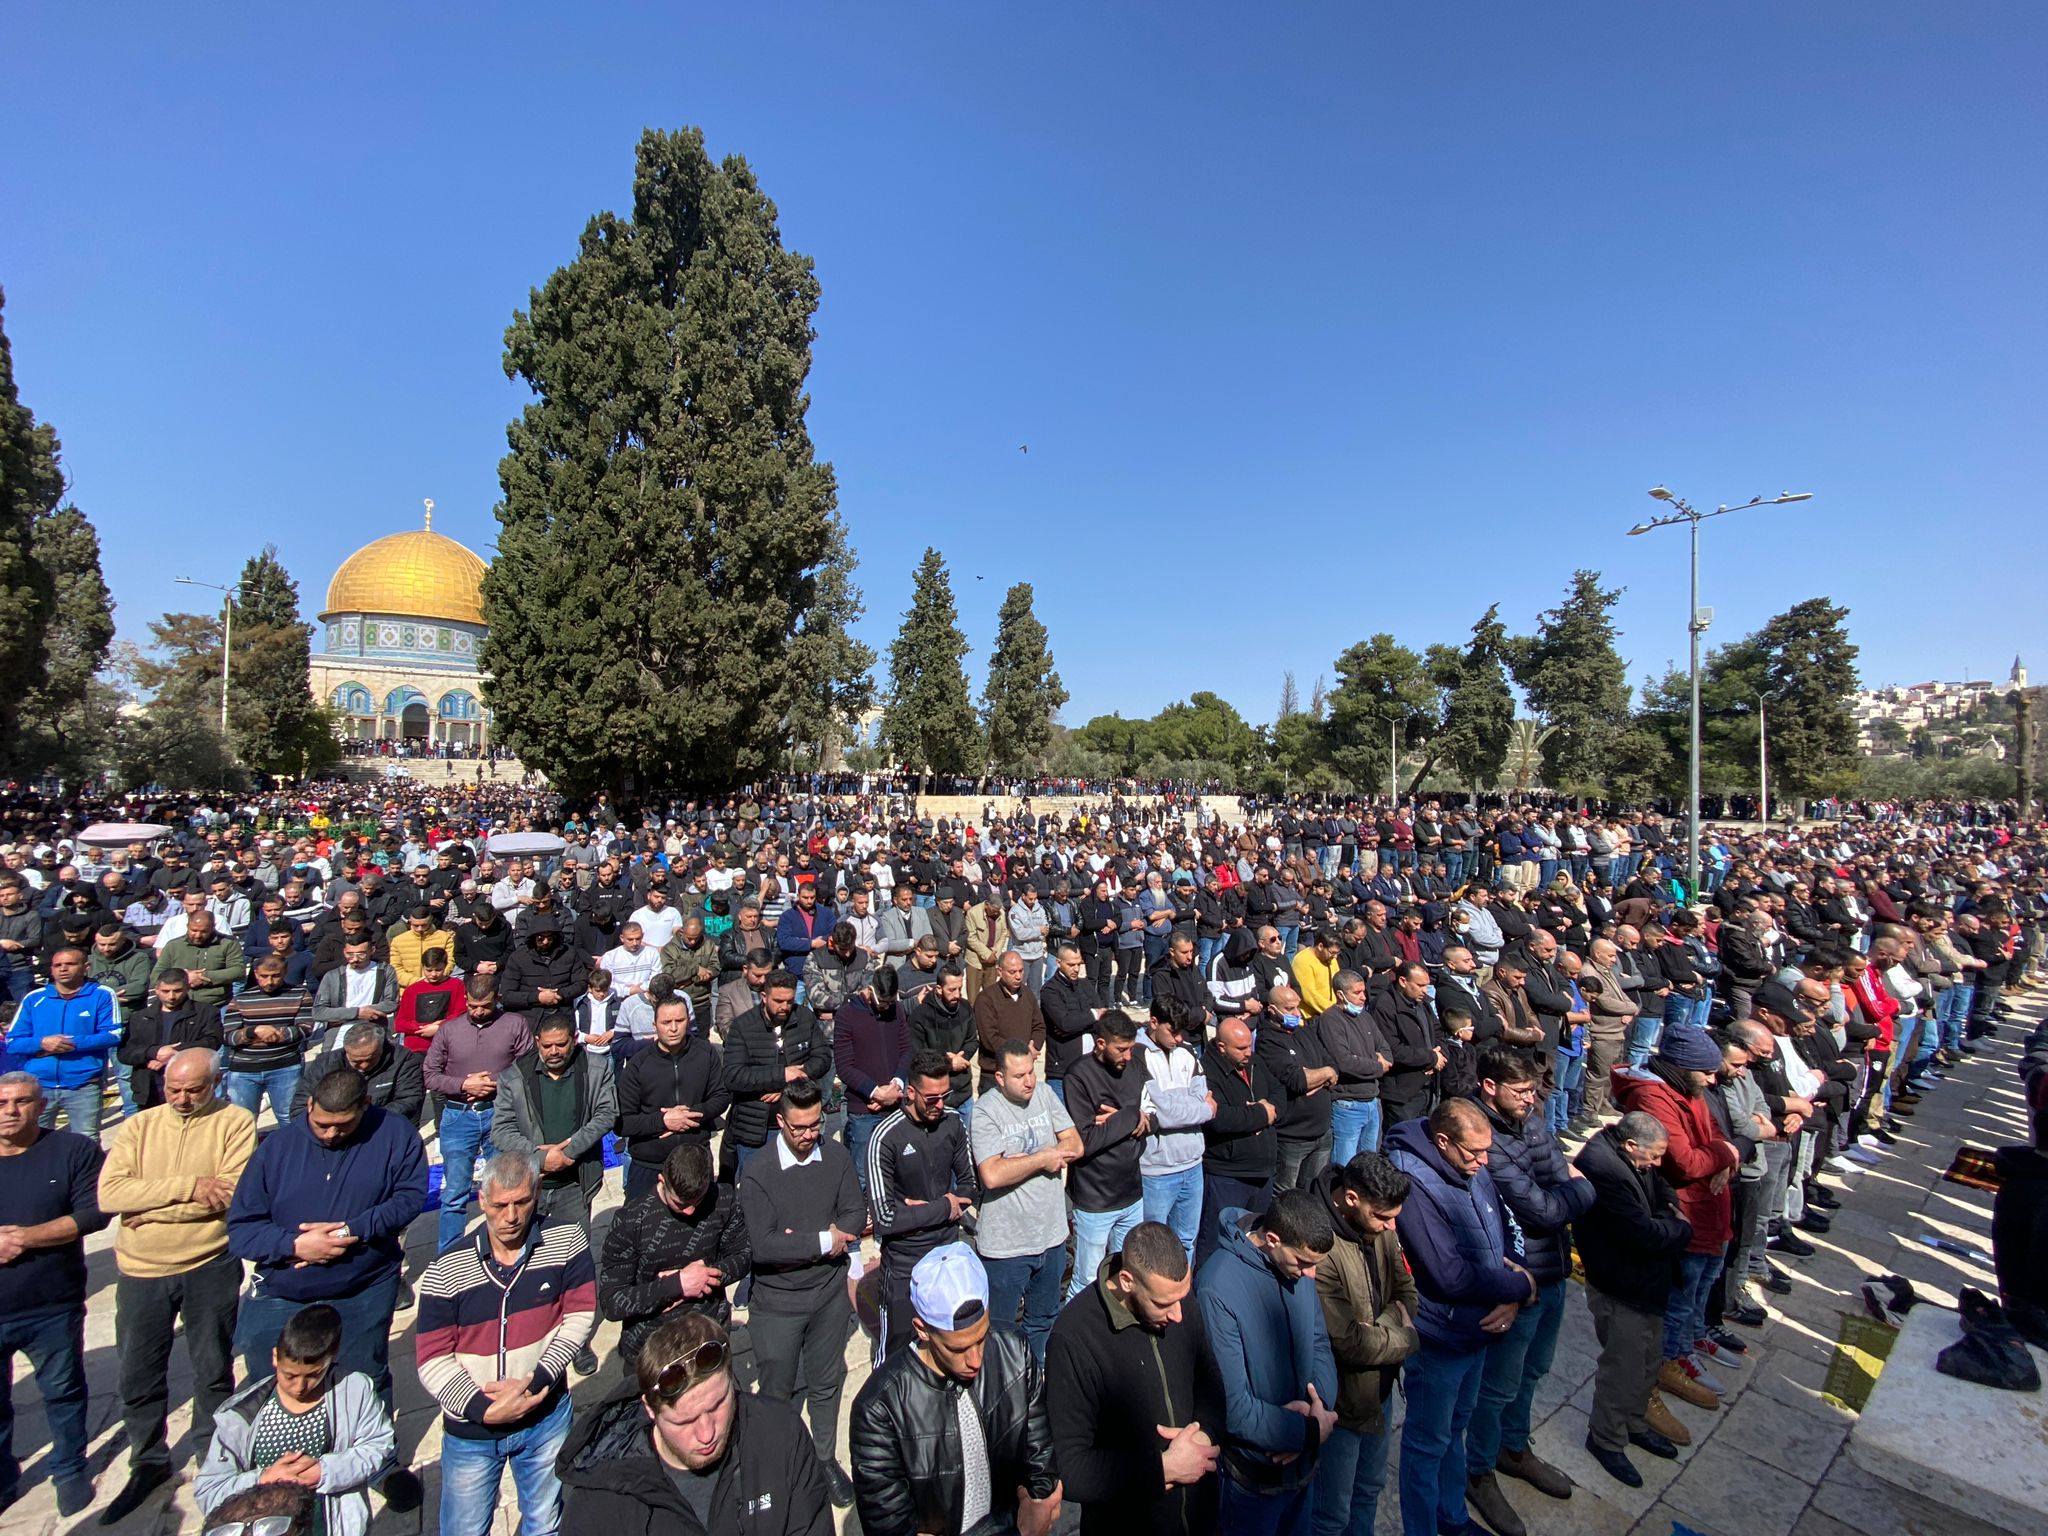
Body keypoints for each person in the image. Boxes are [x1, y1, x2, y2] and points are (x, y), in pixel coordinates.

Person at [227, 1063, 427, 1470]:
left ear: (365, 1106)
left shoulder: (395, 1135)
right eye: (321, 1124)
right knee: (275, 1386)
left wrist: (352, 1231)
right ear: (309, 1106)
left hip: (364, 1288)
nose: (331, 1133)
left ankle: (379, 1463)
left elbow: (409, 1198)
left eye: (342, 1125)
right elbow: (242, 1230)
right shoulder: (276, 1149)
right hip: (283, 1294)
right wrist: (295, 1245)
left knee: (366, 1377)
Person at [95, 1049, 257, 1522]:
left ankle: (214, 1455)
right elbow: (111, 1195)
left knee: (211, 1368)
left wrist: (147, 1206)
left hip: (207, 1260)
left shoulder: (236, 1122)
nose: (183, 1099)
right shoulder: (139, 1127)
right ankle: (147, 1459)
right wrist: (188, 1187)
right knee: (138, 1374)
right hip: (142, 1269)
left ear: (216, 1083)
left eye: (194, 1090)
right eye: (174, 1089)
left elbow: (229, 1193)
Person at [416, 1149, 597, 1536]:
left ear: (537, 1193)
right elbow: (433, 1358)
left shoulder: (566, 1240)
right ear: (482, 1201)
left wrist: (535, 1381)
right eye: (500, 1205)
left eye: (522, 1203)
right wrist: (483, 1407)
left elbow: (579, 1315)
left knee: (546, 1522)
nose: (511, 1216)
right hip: (472, 1432)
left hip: (545, 1414)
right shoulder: (446, 1269)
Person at [1386, 1097, 1536, 1536]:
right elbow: (1447, 1275)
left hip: (1480, 1327)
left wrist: (1512, 1293)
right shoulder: (1412, 1180)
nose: (1483, 1162)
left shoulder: (1472, 1162)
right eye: (1474, 1153)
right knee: (1427, 1442)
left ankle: (1452, 1517)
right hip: (1441, 1336)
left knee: (1457, 1427)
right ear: (1443, 1141)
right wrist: (1519, 1287)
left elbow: (1505, 1221)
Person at [1462, 1048, 1593, 1534]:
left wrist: (1570, 1193)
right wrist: (1573, 1194)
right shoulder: (1479, 1134)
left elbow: (1560, 1177)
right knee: (1497, 1384)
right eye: (1520, 1091)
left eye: (1533, 1089)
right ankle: (1477, 1472)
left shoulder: (1533, 1119)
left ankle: (1513, 1447)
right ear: (1490, 1087)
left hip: (1553, 1265)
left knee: (1534, 1370)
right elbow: (1542, 1208)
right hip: (1518, 1277)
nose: (1531, 1098)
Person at [849, 1242, 1063, 1536]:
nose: (975, 1360)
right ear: (922, 1329)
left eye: (982, 1338)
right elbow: (890, 1526)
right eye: (958, 1348)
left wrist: (1040, 1502)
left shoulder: (1014, 1349)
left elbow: (1040, 1456)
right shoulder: (880, 1408)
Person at [556, 1312, 834, 1536]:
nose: (706, 1433)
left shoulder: (780, 1433)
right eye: (684, 1421)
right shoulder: (600, 1501)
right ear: (649, 1410)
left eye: (717, 1406)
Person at [1045, 1220, 1222, 1536]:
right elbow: (1069, 1468)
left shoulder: (1177, 1299)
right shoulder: (1075, 1337)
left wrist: (1202, 1439)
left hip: (1199, 1518)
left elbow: (1211, 1386)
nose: (1178, 1315)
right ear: (1127, 1281)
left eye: (1183, 1297)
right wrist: (1163, 1468)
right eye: (1163, 1304)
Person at [735, 1079, 864, 1507]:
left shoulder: (837, 1156)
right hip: (778, 1305)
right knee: (778, 1392)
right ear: (780, 1123)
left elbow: (855, 1214)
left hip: (828, 1296)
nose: (809, 1135)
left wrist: (800, 1241)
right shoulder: (757, 1171)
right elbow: (765, 1246)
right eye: (799, 1128)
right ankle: (780, 1467)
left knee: (826, 1383)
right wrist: (823, 1241)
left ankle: (824, 1459)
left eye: (815, 1125)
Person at [1610, 1022, 1740, 1414]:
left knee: (1705, 1282)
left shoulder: (1690, 1089)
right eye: (1706, 1072)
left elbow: (1717, 1132)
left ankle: (1694, 1338)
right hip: (1683, 1210)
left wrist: (1723, 1153)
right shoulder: (1655, 1098)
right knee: (1682, 1293)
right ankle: (1673, 1358)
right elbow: (1683, 1162)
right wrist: (1727, 1155)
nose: (1712, 1079)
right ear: (1682, 1067)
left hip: (1710, 1204)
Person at [1194, 1189, 1338, 1536]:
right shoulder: (1217, 1288)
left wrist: (1319, 1412)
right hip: (1252, 1480)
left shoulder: (1297, 1269)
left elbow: (1319, 1341)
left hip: (1302, 1467)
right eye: (1304, 1263)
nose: (1311, 1275)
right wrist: (1307, 1432)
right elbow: (1234, 1405)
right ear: (1272, 1240)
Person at [0, 1070, 109, 1518]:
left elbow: (93, 1215)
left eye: (21, 1102)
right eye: (2, 1103)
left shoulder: (74, 1151)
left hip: (52, 1301)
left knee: (63, 1392)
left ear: (41, 1106)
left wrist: (24, 1238)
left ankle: (68, 1469)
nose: (10, 1112)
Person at [193, 1302, 397, 1536]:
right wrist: (264, 1478)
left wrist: (325, 1471)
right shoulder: (241, 1415)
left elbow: (377, 1446)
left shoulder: (355, 1390)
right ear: (275, 1357)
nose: (300, 1386)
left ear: (333, 1356)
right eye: (289, 1375)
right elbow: (210, 1491)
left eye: (313, 1375)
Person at [490, 1014, 617, 1377]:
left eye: (561, 1044)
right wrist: (540, 1155)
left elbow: (607, 1113)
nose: (554, 1051)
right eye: (547, 1045)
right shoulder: (515, 1076)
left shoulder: (595, 1068)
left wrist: (571, 1150)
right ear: (536, 1041)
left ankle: (576, 1339)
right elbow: (501, 1130)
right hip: (530, 1187)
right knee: (525, 1261)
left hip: (576, 1184)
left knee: (574, 1264)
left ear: (575, 1039)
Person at [1571, 1110, 1692, 1487]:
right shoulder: (1604, 1168)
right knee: (1622, 1367)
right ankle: (1606, 1438)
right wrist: (1678, 1227)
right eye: (1653, 1156)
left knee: (1647, 1359)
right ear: (1630, 1145)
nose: (1656, 1164)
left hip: (1645, 1283)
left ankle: (1635, 1423)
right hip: (1619, 1284)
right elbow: (1641, 1234)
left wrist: (1665, 1216)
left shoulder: (1634, 1159)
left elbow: (1664, 1188)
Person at [1308, 1150, 1417, 1536]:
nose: (1390, 1228)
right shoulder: (1318, 1246)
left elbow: (1406, 1291)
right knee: (1330, 1514)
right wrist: (1403, 1335)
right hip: (1341, 1405)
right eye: (1383, 1217)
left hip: (1380, 1392)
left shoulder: (1381, 1224)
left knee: (1369, 1489)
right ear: (1351, 1199)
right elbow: (1349, 1342)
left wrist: (1380, 1325)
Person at [598, 1141, 752, 1376]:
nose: (689, 1211)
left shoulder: (723, 1199)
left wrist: (703, 1277)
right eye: (680, 1203)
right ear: (662, 1181)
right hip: (651, 1346)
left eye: (697, 1202)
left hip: (708, 1334)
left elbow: (742, 1255)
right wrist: (675, 1285)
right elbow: (612, 1302)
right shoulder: (631, 1221)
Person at [972, 1038, 1082, 1362]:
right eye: (1019, 1076)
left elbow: (1075, 1143)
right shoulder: (985, 1112)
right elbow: (991, 1174)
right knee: (1000, 1332)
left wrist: (1019, 1162)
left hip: (1051, 1237)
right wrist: (1042, 1159)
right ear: (1000, 1078)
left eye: (1031, 1071)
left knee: (1044, 1320)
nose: (1029, 1081)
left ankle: (1034, 1384)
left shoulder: (1045, 1094)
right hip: (1008, 1247)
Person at [868, 1048, 979, 1356]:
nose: (940, 1105)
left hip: (946, 1252)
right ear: (911, 1092)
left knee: (947, 1346)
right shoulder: (885, 1137)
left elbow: (970, 1187)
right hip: (905, 1261)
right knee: (896, 1353)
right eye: (932, 1098)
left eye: (945, 1095)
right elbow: (884, 1219)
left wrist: (926, 1210)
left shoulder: (953, 1123)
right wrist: (944, 1207)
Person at [423, 975, 534, 1252]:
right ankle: (448, 1255)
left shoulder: (514, 1024)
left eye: (484, 1006)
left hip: (500, 1114)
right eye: (472, 1005)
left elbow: (529, 1066)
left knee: (505, 1188)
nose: (477, 1011)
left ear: (497, 999)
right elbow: (429, 1075)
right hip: (458, 1115)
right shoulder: (449, 1030)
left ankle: (503, 1248)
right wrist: (463, 1084)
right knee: (454, 1193)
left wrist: (494, 1083)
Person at [720, 970, 832, 1178]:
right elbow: (733, 1076)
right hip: (756, 1128)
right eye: (778, 1001)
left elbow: (823, 1057)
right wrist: (781, 1075)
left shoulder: (804, 1018)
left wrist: (789, 1084)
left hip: (797, 1125)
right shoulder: (743, 1026)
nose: (784, 1007)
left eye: (789, 1001)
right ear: (764, 997)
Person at [5, 945, 122, 1139]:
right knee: (33, 1140)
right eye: (57, 965)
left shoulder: (102, 994)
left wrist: (71, 1043)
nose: (63, 969)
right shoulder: (34, 998)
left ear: (86, 967)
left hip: (84, 1084)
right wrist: (42, 1043)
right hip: (40, 1085)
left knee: (86, 1140)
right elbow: (13, 1042)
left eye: (70, 964)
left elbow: (112, 1035)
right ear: (51, 969)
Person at [1137, 996, 1217, 1262]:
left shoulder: (1188, 1052)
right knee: (1153, 1248)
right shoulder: (1138, 1054)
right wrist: (1202, 1110)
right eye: (1173, 1031)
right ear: (1153, 1022)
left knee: (1186, 1243)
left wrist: (1189, 1108)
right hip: (1157, 1171)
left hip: (1193, 1166)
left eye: (1182, 1031)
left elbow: (1199, 1094)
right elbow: (1161, 1112)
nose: (1179, 1038)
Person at [1199, 1017, 1280, 1266]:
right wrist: (1260, 1115)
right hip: (1228, 1175)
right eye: (1241, 1048)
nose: (1248, 1052)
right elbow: (1218, 1117)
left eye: (1249, 1046)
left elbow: (1278, 1093)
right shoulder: (1206, 1070)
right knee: (1216, 1242)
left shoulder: (1254, 1063)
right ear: (1222, 1046)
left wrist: (1266, 1111)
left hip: (1263, 1173)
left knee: (1257, 1240)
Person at [833, 964, 912, 1190]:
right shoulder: (847, 1015)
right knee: (863, 1172)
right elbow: (844, 1066)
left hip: (895, 1104)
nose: (886, 1008)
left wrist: (895, 1085)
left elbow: (906, 1049)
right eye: (882, 1002)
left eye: (890, 1002)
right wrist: (876, 1093)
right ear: (870, 990)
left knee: (896, 1167)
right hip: (864, 1110)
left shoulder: (896, 1010)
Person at [222, 951, 321, 1128]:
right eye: (264, 976)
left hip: (285, 1067)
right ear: (255, 974)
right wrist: (255, 1031)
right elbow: (229, 1036)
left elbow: (305, 1030)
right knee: (243, 1123)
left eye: (275, 976)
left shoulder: (299, 994)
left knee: (289, 1119)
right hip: (244, 1070)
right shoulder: (241, 999)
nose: (269, 981)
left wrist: (274, 1034)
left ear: (285, 972)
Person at [1258, 983, 1338, 1191]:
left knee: (1314, 1192)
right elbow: (1297, 1081)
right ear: (1273, 1010)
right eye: (1289, 1009)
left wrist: (1321, 1074)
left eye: (1297, 1007)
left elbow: (1333, 1065)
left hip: (1322, 1132)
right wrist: (1324, 1074)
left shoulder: (1305, 1032)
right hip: (1293, 1138)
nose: (1297, 1013)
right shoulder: (1268, 1041)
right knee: (1286, 1196)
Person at [118, 968, 224, 1113]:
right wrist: (154, 1052)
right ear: (156, 990)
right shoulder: (140, 1017)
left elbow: (212, 1042)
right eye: (165, 991)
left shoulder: (205, 1012)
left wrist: (175, 1054)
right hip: (149, 1089)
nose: (171, 996)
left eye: (177, 991)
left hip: (189, 1090)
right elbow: (125, 1052)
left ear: (187, 988)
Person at [289, 1021, 427, 1125]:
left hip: (384, 1127)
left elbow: (409, 1099)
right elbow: (300, 1107)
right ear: (346, 1051)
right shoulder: (326, 1063)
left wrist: (360, 1118)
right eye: (356, 1061)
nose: (364, 1065)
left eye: (370, 1059)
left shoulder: (404, 1059)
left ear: (382, 1047)